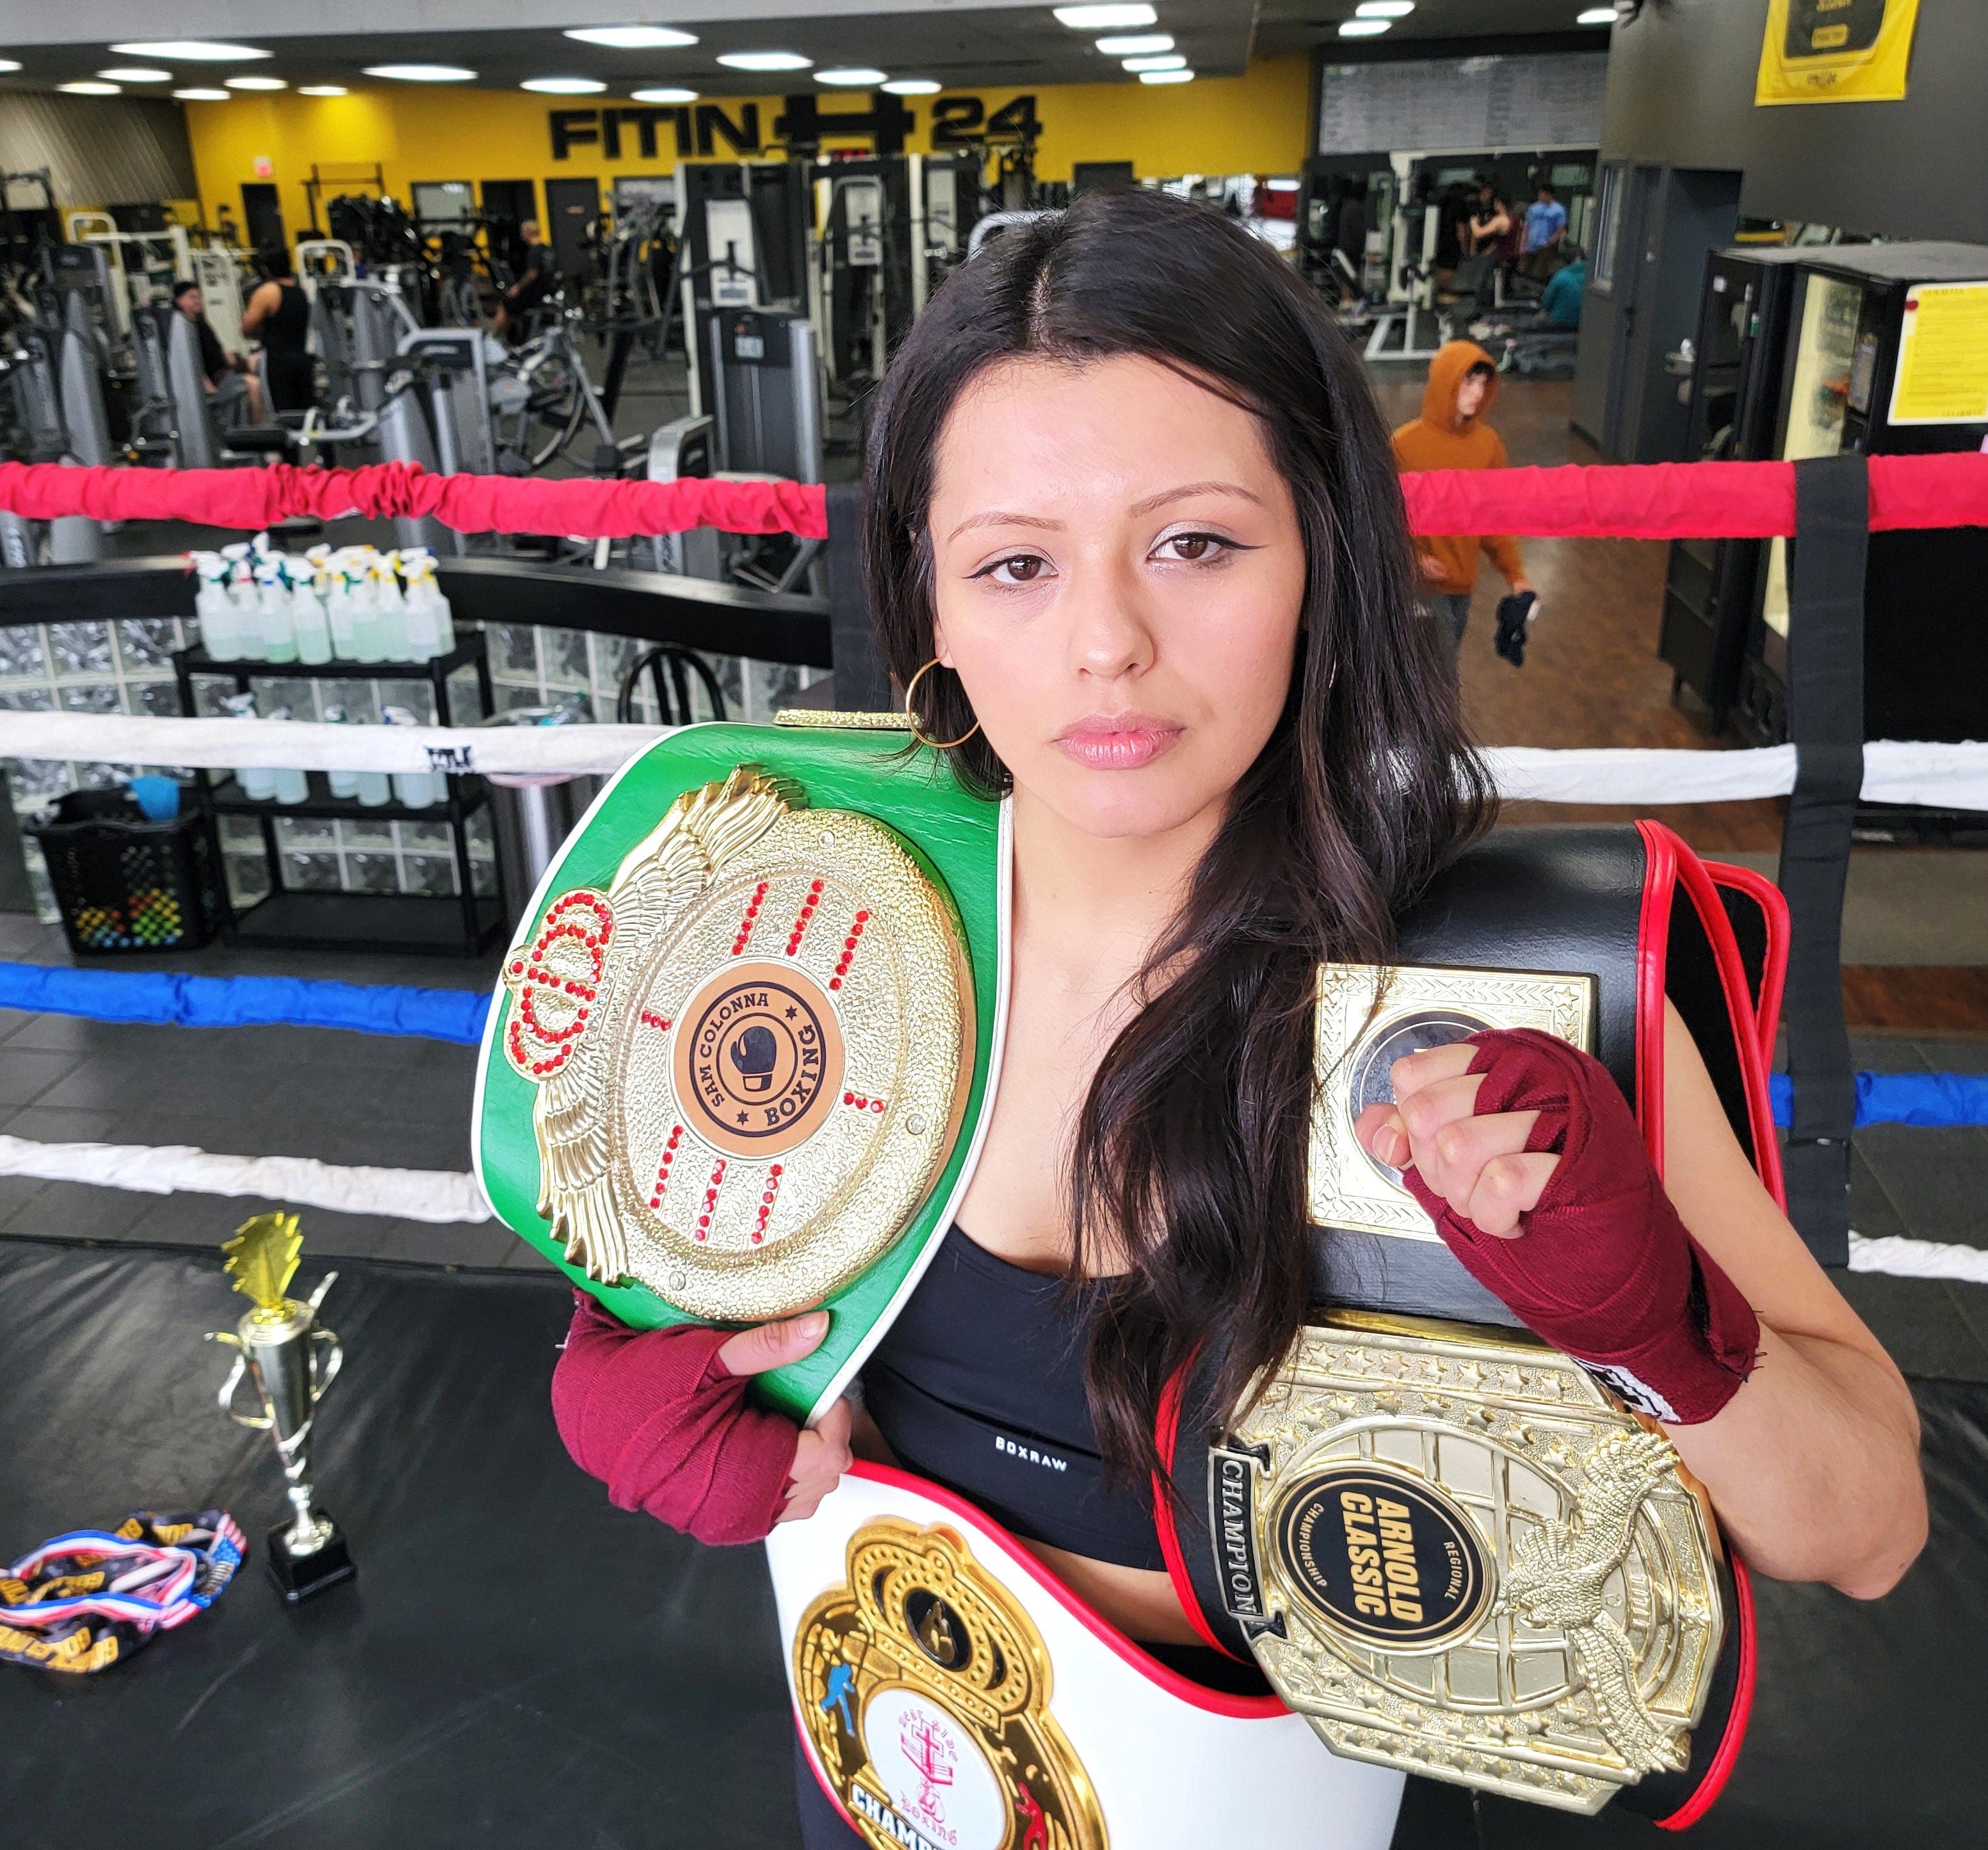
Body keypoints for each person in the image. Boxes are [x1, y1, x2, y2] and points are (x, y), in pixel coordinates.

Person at [545, 191, 1925, 1845]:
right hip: (885, 1786)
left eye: (1192, 542)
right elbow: (697, 1351)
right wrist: (664, 1364)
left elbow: (1869, 1527)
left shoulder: (1482, 1009)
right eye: (1012, 565)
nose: (1104, 643)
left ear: (1318, 556)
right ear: (927, 607)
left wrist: (1654, 1330)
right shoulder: (820, 944)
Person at [1391, 341, 1537, 651]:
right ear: (1447, 382)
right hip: (1415, 590)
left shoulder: (1488, 445)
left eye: (1484, 384)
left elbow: (1493, 519)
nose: (1478, 393)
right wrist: (1411, 559)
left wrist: (1516, 577)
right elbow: (1377, 519)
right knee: (1425, 675)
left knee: (1443, 674)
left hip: (1461, 589)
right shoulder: (1404, 445)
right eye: (1469, 382)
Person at [170, 278, 259, 423]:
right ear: (179, 301)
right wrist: (207, 385)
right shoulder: (182, 330)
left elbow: (212, 349)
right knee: (253, 385)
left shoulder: (200, 324)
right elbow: (193, 362)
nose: (198, 301)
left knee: (258, 362)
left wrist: (225, 354)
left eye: (199, 297)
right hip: (217, 376)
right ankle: (247, 433)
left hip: (223, 368)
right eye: (192, 298)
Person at [239, 246, 314, 416]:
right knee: (305, 412)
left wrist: (261, 334)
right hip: (301, 357)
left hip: (277, 361)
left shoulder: (268, 292)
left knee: (282, 413)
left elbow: (246, 328)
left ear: (266, 269)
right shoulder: (299, 291)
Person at [491, 218, 556, 343]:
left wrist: (518, 287)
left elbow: (532, 273)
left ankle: (493, 339)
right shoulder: (547, 250)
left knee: (504, 305)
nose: (521, 234)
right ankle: (516, 339)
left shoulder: (534, 252)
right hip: (546, 291)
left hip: (534, 294)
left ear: (529, 232)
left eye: (523, 231)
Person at [1538, 248, 1586, 329]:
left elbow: (1547, 301)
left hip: (1559, 321)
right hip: (1582, 323)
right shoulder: (1592, 277)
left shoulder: (1560, 276)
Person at [1523, 183, 1569, 257]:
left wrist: (1550, 242)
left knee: (1540, 267)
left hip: (1546, 246)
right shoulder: (1533, 208)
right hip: (1530, 246)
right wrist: (1523, 245)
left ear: (1547, 194)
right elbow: (1527, 227)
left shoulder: (1559, 210)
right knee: (1523, 268)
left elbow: (1560, 229)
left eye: (1541, 193)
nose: (1539, 195)